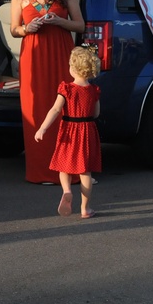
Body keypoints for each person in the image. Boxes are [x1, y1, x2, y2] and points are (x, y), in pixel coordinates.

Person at [10, 0, 85, 184]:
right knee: (37, 110)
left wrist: (60, 21)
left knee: (65, 110)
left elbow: (80, 25)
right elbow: (14, 29)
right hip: (33, 57)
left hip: (61, 54)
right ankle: (40, 171)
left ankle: (71, 170)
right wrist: (25, 29)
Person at [35, 46, 102, 219]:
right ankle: (85, 209)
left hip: (69, 132)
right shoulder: (94, 90)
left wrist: (43, 128)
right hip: (87, 131)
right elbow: (96, 114)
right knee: (85, 171)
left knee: (64, 166)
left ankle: (66, 190)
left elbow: (55, 109)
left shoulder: (66, 89)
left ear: (73, 68)